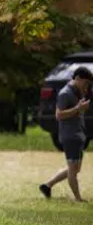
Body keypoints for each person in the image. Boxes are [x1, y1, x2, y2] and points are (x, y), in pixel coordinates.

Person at [39, 66, 90, 202]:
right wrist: (78, 108)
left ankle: (47, 185)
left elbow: (77, 110)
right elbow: (59, 115)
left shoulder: (77, 92)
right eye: (85, 83)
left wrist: (81, 106)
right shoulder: (65, 93)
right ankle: (78, 198)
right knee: (73, 170)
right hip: (70, 136)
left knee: (74, 168)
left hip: (78, 134)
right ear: (77, 79)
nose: (86, 86)